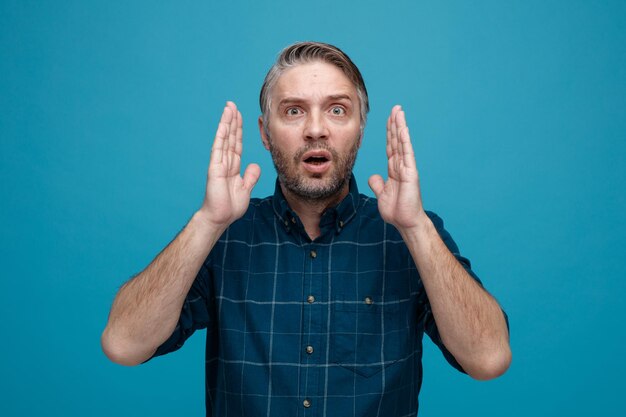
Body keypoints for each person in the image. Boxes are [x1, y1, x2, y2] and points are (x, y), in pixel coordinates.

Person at [102, 41, 511, 416]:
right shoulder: (223, 235)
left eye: (337, 109)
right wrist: (207, 222)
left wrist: (417, 228)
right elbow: (124, 344)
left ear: (361, 129)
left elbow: (488, 360)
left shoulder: (408, 235)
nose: (316, 129)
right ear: (264, 133)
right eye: (294, 111)